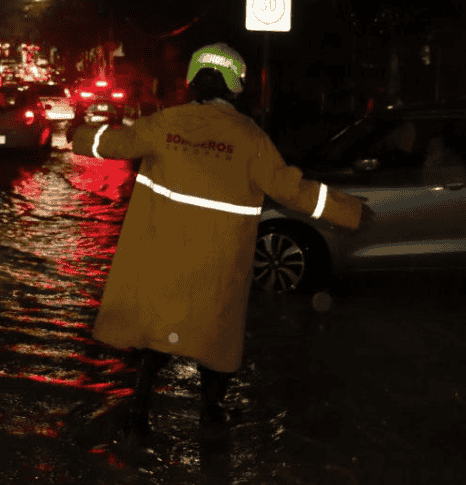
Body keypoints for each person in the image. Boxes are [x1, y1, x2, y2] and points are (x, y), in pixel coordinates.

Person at [68, 42, 373, 441]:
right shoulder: (250, 138)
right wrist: (350, 211)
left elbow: (112, 144)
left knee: (155, 338)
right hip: (218, 265)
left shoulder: (165, 123)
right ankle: (212, 418)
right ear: (235, 87)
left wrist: (78, 133)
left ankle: (138, 416)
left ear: (192, 81)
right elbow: (291, 190)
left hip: (163, 260)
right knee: (216, 343)